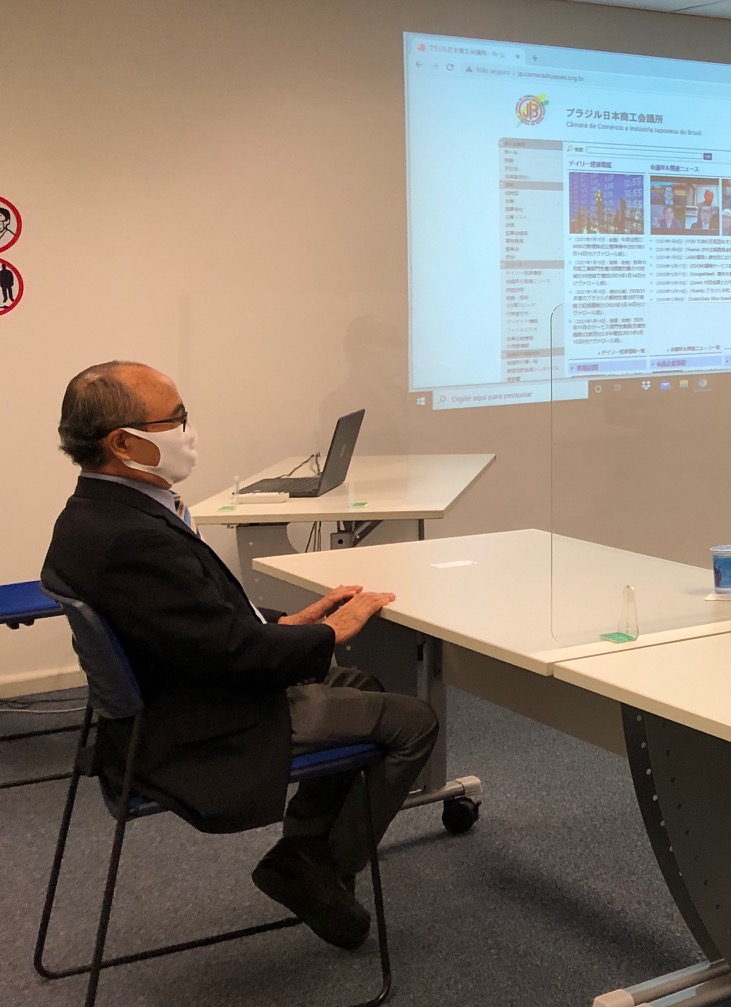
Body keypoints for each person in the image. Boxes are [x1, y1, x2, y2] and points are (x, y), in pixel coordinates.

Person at [40, 361, 437, 948]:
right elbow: (233, 655)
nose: (188, 430)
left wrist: (290, 623)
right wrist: (329, 633)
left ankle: (304, 850)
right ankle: (318, 868)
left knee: (362, 684)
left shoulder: (102, 511)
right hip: (206, 722)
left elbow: (195, 627)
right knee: (414, 723)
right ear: (123, 443)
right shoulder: (131, 537)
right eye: (176, 419)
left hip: (185, 690)